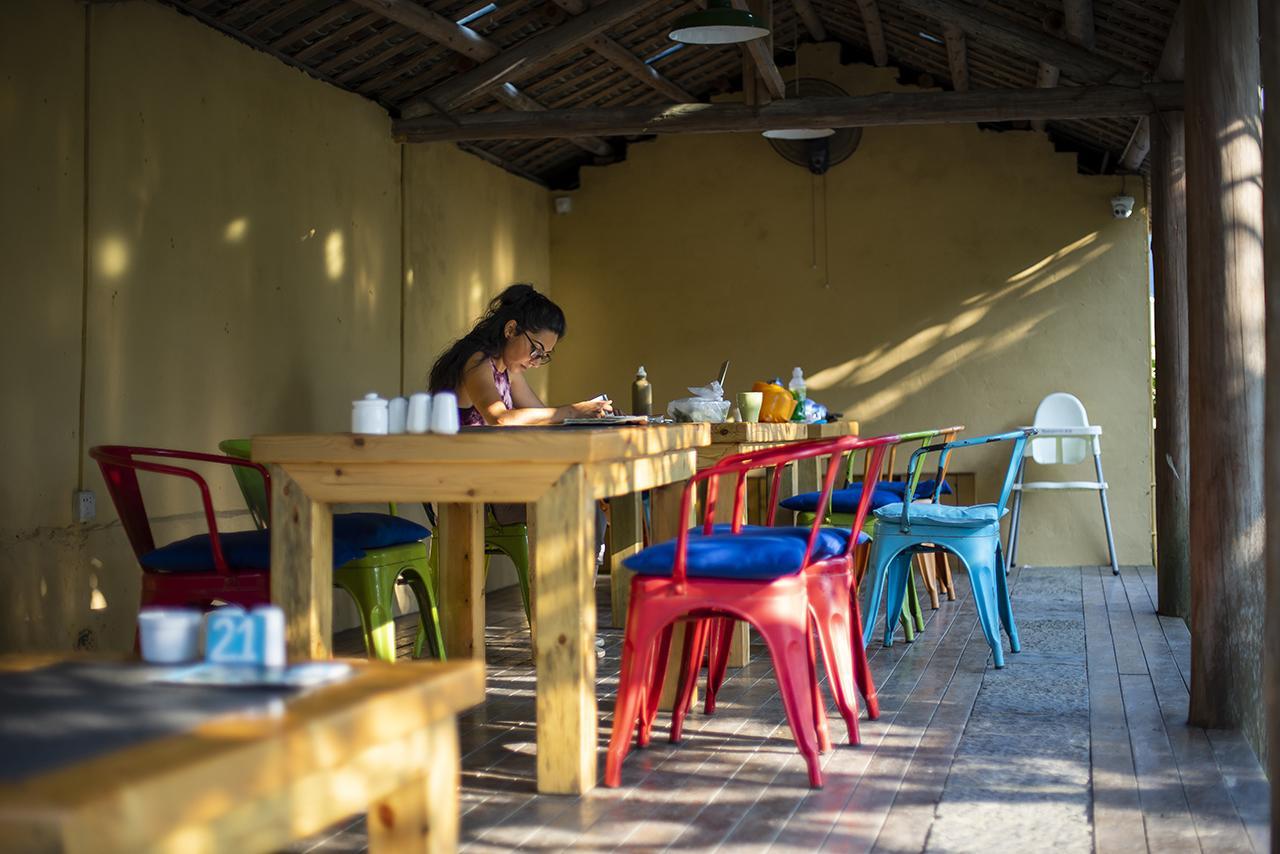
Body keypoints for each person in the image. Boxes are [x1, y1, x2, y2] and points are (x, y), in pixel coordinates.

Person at [428, 283, 612, 426]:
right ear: (511, 330)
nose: (536, 362)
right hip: (458, 467)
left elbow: (543, 416)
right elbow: (500, 419)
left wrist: (594, 413)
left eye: (543, 355)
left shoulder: (508, 371)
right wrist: (572, 411)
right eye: (536, 350)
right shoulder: (477, 361)